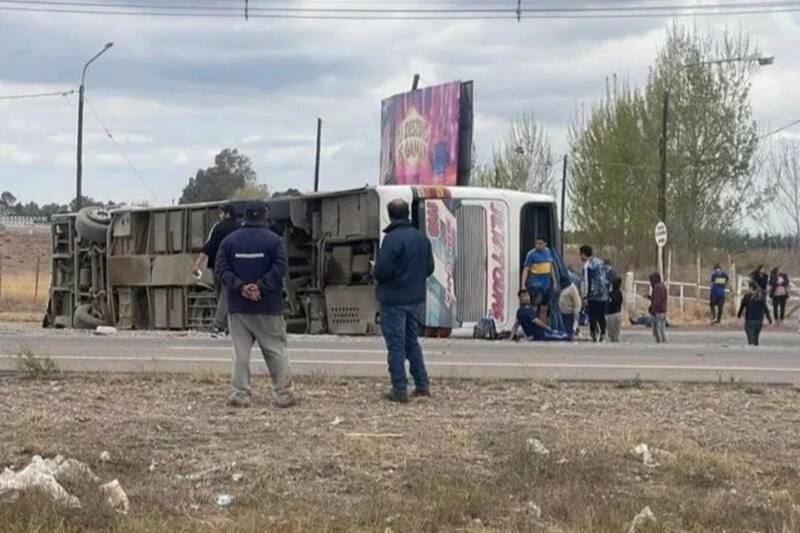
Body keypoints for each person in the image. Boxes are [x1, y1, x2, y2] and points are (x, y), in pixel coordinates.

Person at [215, 201, 295, 409]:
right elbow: (280, 268)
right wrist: (260, 287)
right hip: (268, 308)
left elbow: (221, 269)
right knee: (275, 351)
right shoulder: (274, 241)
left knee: (240, 354)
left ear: (245, 216)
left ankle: (239, 394)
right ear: (264, 215)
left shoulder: (229, 241)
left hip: (238, 309)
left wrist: (241, 287)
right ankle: (283, 394)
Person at [374, 199, 435, 403]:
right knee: (411, 342)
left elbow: (382, 271)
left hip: (393, 299)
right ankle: (422, 384)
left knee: (396, 344)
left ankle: (399, 388)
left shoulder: (392, 239)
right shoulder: (421, 238)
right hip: (415, 298)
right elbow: (429, 268)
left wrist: (374, 270)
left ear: (390, 215)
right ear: (407, 213)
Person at [192, 204, 240, 336]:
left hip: (217, 267)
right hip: (233, 268)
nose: (220, 216)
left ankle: (218, 326)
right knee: (227, 296)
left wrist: (198, 263)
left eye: (221, 213)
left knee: (221, 296)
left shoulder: (217, 228)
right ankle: (224, 326)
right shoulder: (239, 229)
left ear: (227, 214)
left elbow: (208, 247)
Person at [579, 245, 609, 342]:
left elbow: (586, 281)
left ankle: (594, 333)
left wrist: (585, 296)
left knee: (592, 316)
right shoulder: (600, 262)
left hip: (593, 295)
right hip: (603, 294)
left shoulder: (587, 266)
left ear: (583, 254)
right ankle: (603, 332)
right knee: (601, 315)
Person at [738, 280, 772, 346]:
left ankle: (752, 351)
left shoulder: (747, 297)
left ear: (751, 288)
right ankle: (756, 350)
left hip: (749, 320)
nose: (747, 289)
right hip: (759, 321)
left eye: (748, 287)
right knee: (756, 339)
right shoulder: (761, 297)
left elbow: (742, 307)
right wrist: (769, 320)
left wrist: (738, 316)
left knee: (751, 341)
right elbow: (766, 309)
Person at [521, 235, 555, 300]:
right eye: (536, 243)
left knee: (546, 303)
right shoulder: (531, 254)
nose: (537, 245)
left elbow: (551, 267)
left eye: (540, 244)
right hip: (534, 285)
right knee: (536, 302)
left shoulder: (548, 252)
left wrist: (554, 281)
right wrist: (523, 285)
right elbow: (526, 269)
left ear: (545, 244)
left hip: (546, 285)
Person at [558, 275, 581, 341]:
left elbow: (577, 301)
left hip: (570, 312)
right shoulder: (562, 288)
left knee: (569, 329)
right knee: (564, 329)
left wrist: (576, 312)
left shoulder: (572, 288)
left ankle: (569, 339)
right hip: (562, 312)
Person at [647, 272, 668, 344]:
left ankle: (659, 341)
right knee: (662, 329)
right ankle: (664, 341)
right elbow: (660, 298)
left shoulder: (656, 287)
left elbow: (657, 301)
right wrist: (650, 297)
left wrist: (652, 310)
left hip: (658, 311)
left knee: (657, 329)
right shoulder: (663, 286)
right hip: (663, 310)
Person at [606, 276, 623, 343]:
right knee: (610, 333)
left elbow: (615, 301)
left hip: (615, 314)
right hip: (609, 314)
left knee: (615, 333)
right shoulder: (610, 293)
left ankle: (616, 343)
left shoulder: (618, 293)